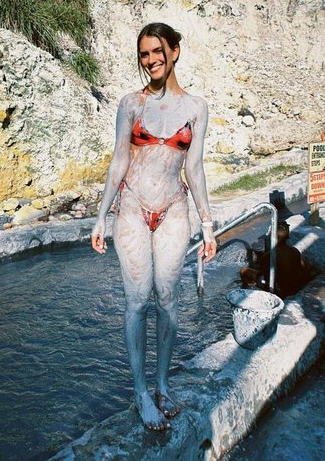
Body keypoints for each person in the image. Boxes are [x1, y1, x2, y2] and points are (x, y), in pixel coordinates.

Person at [91, 22, 217, 431]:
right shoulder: (131, 104)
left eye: (157, 51)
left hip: (174, 209)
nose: (150, 60)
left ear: (174, 51)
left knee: (168, 299)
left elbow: (194, 168)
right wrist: (100, 215)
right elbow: (118, 160)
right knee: (136, 301)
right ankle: (141, 392)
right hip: (131, 208)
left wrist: (208, 224)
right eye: (144, 54)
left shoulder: (196, 107)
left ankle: (162, 384)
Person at [240, 220, 312, 299]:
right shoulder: (295, 250)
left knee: (243, 270)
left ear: (273, 238)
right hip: (294, 286)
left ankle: (247, 294)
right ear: (287, 236)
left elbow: (266, 276)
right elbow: (303, 268)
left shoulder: (270, 255)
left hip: (279, 290)